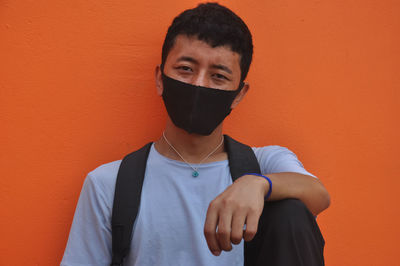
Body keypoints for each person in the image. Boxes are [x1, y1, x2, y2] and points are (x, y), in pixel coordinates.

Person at [61, 2, 330, 266]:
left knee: (290, 210)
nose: (200, 84)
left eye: (218, 76)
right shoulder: (108, 184)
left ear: (238, 95)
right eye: (186, 69)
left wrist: (259, 184)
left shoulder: (264, 163)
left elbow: (318, 195)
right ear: (160, 78)